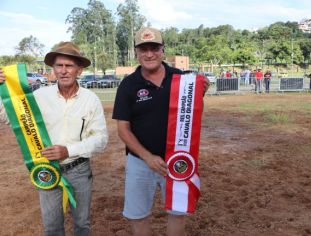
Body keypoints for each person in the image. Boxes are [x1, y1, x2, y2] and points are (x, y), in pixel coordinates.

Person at [0, 42, 108, 236]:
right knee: (52, 228)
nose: (64, 71)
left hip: (80, 169)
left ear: (79, 70)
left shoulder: (91, 99)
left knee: (82, 225)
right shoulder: (40, 96)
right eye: (59, 65)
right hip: (46, 169)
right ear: (53, 69)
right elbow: (12, 118)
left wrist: (69, 150)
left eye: (69, 66)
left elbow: (100, 139)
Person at [112, 27, 209, 236]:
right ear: (136, 52)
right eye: (143, 49)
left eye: (154, 48)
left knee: (177, 212)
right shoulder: (128, 85)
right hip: (140, 162)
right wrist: (147, 157)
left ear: (162, 50)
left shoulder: (181, 79)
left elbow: (191, 114)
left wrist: (202, 90)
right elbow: (123, 129)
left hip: (177, 160)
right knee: (138, 215)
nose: (149, 54)